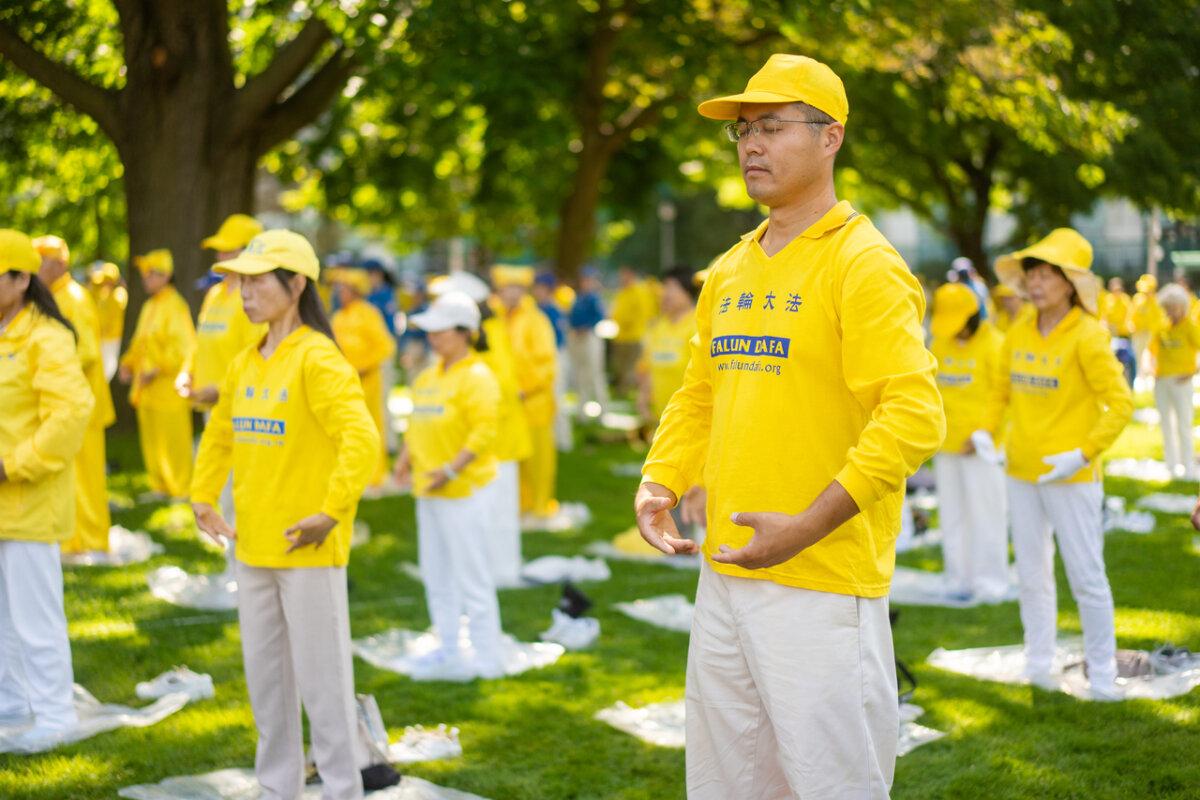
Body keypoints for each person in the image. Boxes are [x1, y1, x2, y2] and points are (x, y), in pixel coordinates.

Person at [634, 54, 944, 797]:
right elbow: (700, 394)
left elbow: (913, 413)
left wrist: (808, 523)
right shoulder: (732, 268)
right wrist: (661, 480)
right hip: (726, 569)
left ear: (830, 137)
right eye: (744, 130)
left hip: (822, 580)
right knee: (726, 779)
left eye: (772, 126)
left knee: (832, 783)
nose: (751, 145)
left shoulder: (864, 264)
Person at [191, 230, 378, 800]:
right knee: (267, 683)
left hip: (308, 548)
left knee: (324, 686)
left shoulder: (318, 358)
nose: (243, 293)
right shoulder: (246, 362)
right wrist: (202, 496)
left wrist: (331, 512)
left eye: (256, 281)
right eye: (240, 282)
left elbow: (360, 438)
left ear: (296, 284)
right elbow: (220, 435)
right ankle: (278, 789)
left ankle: (342, 788)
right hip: (252, 545)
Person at [973, 227, 1132, 701]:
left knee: (1087, 577)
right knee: (1032, 574)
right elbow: (1000, 391)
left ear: (1070, 283)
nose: (1035, 284)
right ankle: (1038, 663)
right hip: (1021, 472)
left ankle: (1102, 675)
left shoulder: (1087, 335)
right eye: (1031, 274)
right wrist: (986, 430)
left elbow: (1120, 404)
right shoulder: (1018, 328)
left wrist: (1082, 455)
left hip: (1073, 477)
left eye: (1045, 274)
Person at [0, 229, 94, 751]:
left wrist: (11, 465)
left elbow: (70, 414)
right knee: (3, 617)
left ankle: (56, 717)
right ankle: (11, 704)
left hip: (30, 500)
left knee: (36, 618)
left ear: (21, 279)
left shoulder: (46, 336)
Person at [393, 291, 504, 679]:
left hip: (465, 491)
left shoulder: (477, 377)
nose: (433, 338)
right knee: (436, 573)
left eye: (440, 331)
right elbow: (416, 424)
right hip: (429, 490)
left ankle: (487, 659)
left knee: (472, 576)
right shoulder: (428, 375)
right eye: (431, 331)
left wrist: (451, 471)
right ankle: (448, 647)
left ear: (464, 332)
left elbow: (483, 433)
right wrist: (405, 461)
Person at [434, 271, 532, 588]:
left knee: (498, 512)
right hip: (487, 441)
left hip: (496, 442)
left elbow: (499, 386)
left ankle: (500, 571)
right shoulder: (486, 334)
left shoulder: (489, 334)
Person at [34, 235, 116, 557]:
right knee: (73, 475)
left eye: (42, 260)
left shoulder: (74, 299)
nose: (37, 267)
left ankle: (92, 541)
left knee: (88, 476)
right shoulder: (54, 296)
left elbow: (86, 352)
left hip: (83, 405)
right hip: (67, 406)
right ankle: (75, 540)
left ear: (60, 264)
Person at [928, 282, 1009, 601]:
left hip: (981, 448)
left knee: (986, 514)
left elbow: (1001, 396)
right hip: (947, 444)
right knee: (952, 515)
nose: (956, 333)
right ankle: (957, 579)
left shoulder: (995, 344)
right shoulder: (941, 343)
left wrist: (983, 433)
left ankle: (990, 582)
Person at [119, 249, 196, 499]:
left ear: (166, 275)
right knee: (152, 440)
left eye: (151, 274)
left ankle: (182, 489)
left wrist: (158, 368)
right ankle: (159, 485)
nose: (145, 279)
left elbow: (185, 347)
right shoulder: (150, 305)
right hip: (146, 388)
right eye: (144, 274)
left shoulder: (176, 305)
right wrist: (127, 363)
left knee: (174, 439)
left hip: (167, 387)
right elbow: (139, 342)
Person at [492, 265, 560, 520]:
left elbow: (546, 364)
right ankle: (519, 504)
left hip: (533, 403)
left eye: (517, 288)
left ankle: (541, 505)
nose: (511, 293)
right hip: (506, 404)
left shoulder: (536, 321)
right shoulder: (494, 319)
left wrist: (524, 389)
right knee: (511, 458)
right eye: (507, 288)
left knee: (538, 459)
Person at [179, 214, 266, 410]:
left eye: (227, 250)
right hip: (209, 404)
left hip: (240, 405)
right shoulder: (215, 294)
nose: (219, 257)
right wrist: (187, 372)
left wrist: (221, 389)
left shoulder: (254, 300)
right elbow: (199, 341)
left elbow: (257, 359)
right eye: (219, 250)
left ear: (250, 252)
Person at [329, 267, 396, 487]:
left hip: (367, 380)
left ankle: (375, 474)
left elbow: (385, 346)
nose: (340, 293)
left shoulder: (368, 313)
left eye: (344, 289)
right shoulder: (338, 317)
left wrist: (364, 367)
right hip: (344, 381)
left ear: (356, 290)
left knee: (371, 426)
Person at [1149, 284, 1200, 479]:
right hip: (1162, 380)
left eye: (1173, 308)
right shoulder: (1162, 327)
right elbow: (1152, 350)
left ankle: (1188, 467)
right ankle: (1170, 464)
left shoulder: (1191, 327)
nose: (1170, 312)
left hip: (1181, 382)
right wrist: (1150, 367)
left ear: (1182, 306)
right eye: (1167, 308)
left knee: (1183, 425)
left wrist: (1193, 372)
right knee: (1166, 424)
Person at [637, 266, 698, 425]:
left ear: (688, 291)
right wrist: (643, 398)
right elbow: (649, 366)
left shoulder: (698, 324)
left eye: (672, 288)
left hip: (691, 417)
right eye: (665, 287)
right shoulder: (659, 326)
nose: (666, 294)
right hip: (662, 416)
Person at [533, 271, 573, 451]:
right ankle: (552, 439)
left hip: (556, 355)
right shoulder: (536, 309)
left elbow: (559, 339)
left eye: (540, 288)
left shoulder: (553, 310)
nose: (537, 291)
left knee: (557, 398)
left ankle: (564, 440)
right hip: (541, 359)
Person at [566, 267, 608, 416]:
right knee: (580, 375)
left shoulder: (594, 298)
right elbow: (571, 317)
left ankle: (603, 410)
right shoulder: (578, 298)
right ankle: (582, 410)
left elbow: (599, 317)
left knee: (595, 374)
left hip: (590, 336)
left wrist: (586, 327)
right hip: (577, 338)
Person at [608, 265, 651, 393]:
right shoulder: (621, 293)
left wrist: (627, 321)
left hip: (635, 335)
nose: (622, 278)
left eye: (624, 275)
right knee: (621, 367)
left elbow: (645, 313)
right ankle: (623, 390)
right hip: (621, 335)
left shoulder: (640, 291)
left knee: (632, 368)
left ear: (631, 275)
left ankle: (633, 392)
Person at [88, 261, 128, 381]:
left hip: (113, 339)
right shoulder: (103, 294)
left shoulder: (119, 295)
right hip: (101, 338)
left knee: (108, 371)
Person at [1100, 276, 1137, 385]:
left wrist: (1128, 325)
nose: (1117, 291)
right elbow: (1104, 316)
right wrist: (1105, 326)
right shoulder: (1108, 300)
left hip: (1123, 334)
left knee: (1129, 358)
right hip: (1111, 335)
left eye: (1118, 289)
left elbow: (1130, 315)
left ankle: (1130, 382)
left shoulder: (1125, 300)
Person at [1130, 273, 1166, 380]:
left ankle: (1151, 374)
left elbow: (1160, 317)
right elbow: (1132, 314)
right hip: (1138, 332)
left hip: (1152, 332)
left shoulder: (1157, 300)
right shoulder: (1138, 299)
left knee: (1152, 353)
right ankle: (1139, 375)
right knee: (1138, 353)